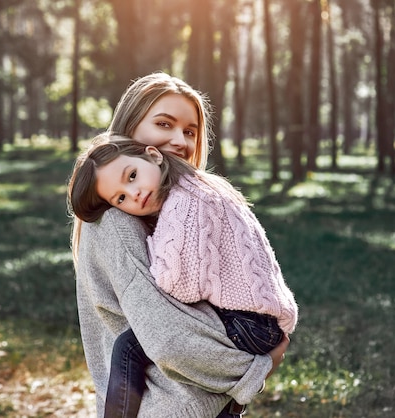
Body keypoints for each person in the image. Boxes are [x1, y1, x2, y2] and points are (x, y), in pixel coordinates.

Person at [69, 72, 289, 418]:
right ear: (130, 129)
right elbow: (169, 336)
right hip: (170, 406)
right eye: (164, 124)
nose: (180, 140)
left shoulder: (180, 205)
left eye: (190, 131)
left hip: (193, 399)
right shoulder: (116, 221)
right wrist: (257, 370)